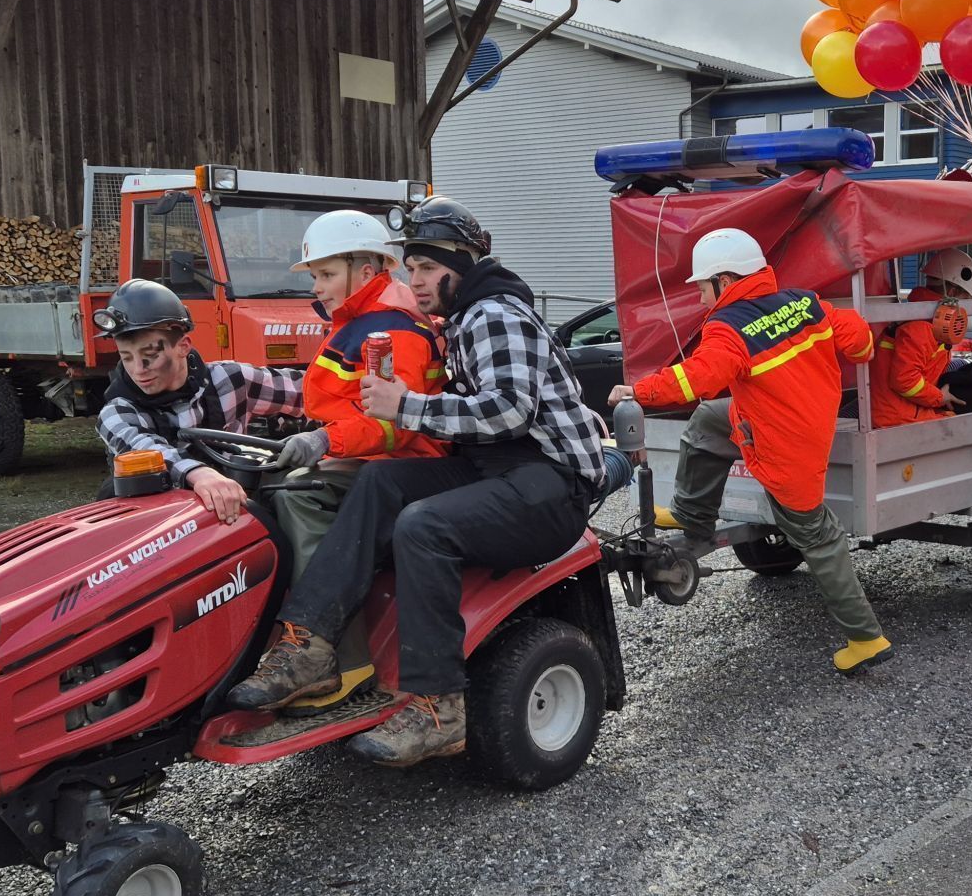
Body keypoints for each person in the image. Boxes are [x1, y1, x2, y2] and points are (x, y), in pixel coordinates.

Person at [225, 198, 609, 766]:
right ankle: (312, 645)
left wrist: (406, 407)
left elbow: (508, 411)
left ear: (463, 263)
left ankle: (439, 706)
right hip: (502, 468)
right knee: (381, 483)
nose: (415, 279)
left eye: (428, 267)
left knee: (424, 525)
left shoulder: (492, 314)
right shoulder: (463, 318)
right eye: (411, 267)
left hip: (551, 484)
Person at [611, 226, 893, 674]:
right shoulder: (804, 303)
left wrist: (637, 392)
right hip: (790, 423)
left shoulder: (728, 328)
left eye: (703, 288)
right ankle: (692, 512)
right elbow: (858, 340)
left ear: (725, 281)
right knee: (709, 417)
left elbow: (695, 378)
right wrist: (857, 344)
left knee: (818, 537)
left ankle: (866, 637)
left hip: (784, 447)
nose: (702, 299)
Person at [245, 211, 448, 715]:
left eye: (326, 274)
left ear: (366, 270)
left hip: (402, 459)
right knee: (259, 486)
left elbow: (393, 424)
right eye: (315, 275)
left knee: (299, 496)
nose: (317, 287)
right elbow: (341, 401)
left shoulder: (389, 330)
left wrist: (324, 443)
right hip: (366, 451)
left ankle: (336, 654)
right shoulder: (364, 320)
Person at [93, 278, 303, 526]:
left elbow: (310, 391)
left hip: (234, 514)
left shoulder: (230, 379)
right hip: (158, 529)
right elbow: (148, 449)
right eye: (126, 357)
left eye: (150, 355)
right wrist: (200, 473)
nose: (138, 370)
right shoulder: (117, 412)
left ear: (183, 346)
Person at [869, 247, 972, 428]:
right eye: (965, 299)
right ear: (951, 293)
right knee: (968, 427)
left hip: (908, 412)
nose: (964, 308)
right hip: (898, 420)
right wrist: (940, 397)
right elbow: (904, 380)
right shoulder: (921, 326)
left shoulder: (925, 319)